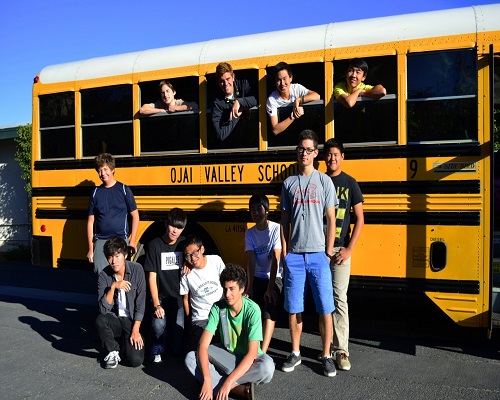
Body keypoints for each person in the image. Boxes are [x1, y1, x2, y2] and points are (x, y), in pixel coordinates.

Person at [279, 129, 338, 377]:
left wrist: (327, 252)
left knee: (325, 307)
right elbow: (283, 221)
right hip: (295, 256)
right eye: (301, 149)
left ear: (316, 153)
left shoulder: (324, 181)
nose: (305, 153)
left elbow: (331, 219)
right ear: (297, 152)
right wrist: (285, 252)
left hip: (318, 255)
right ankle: (295, 352)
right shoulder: (288, 184)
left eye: (309, 149)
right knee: (294, 307)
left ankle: (326, 355)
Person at [185, 263, 275, 400]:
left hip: (248, 361)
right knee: (190, 358)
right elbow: (202, 346)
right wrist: (208, 379)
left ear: (242, 289)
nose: (227, 294)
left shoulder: (253, 310)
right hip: (226, 355)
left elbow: (251, 354)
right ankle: (239, 390)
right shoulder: (218, 308)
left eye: (232, 289)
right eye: (225, 289)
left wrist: (228, 383)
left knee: (267, 367)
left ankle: (222, 387)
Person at [323, 139, 364, 371]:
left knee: (339, 299)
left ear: (342, 157)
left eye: (336, 154)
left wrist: (349, 249)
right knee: (322, 300)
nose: (332, 158)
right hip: (320, 250)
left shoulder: (350, 183)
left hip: (340, 251)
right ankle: (326, 349)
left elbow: (360, 218)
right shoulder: (318, 181)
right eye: (329, 155)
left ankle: (342, 351)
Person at [143, 208, 187, 363]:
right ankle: (157, 343)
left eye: (179, 227)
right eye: (173, 226)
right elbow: (152, 277)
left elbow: (199, 256)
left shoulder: (184, 244)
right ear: (166, 223)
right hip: (161, 298)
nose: (175, 231)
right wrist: (156, 304)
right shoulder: (155, 245)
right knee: (158, 326)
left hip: (178, 301)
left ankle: (171, 339)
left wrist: (190, 263)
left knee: (176, 350)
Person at [95, 237, 146, 369]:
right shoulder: (104, 276)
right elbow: (103, 310)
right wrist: (113, 287)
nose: (114, 261)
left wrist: (135, 330)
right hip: (116, 319)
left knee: (135, 361)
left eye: (117, 256)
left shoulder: (137, 269)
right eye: (110, 257)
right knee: (101, 320)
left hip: (131, 321)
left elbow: (141, 302)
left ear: (125, 255)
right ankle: (113, 350)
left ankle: (125, 343)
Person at [87, 153, 139, 274]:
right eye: (99, 170)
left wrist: (132, 241)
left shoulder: (124, 190)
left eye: (105, 169)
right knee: (101, 274)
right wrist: (91, 248)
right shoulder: (95, 193)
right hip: (100, 240)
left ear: (112, 169)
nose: (102, 173)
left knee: (120, 274)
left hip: (120, 238)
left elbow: (135, 216)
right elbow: (90, 222)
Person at [245, 194, 282, 353]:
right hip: (257, 277)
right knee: (252, 309)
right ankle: (251, 347)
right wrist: (249, 287)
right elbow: (251, 260)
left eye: (259, 209)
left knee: (268, 308)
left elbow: (276, 258)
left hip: (274, 277)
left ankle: (263, 351)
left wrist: (270, 287)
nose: (256, 213)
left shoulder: (276, 228)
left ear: (267, 211)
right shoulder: (250, 233)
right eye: (252, 210)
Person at [180, 236, 225, 353]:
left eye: (195, 253)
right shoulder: (186, 272)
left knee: (227, 345)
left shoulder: (216, 261)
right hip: (201, 317)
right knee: (195, 352)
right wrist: (190, 320)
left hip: (221, 312)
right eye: (188, 255)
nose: (193, 258)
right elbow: (185, 298)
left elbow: (227, 284)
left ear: (202, 249)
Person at [266, 61, 320, 136]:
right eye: (279, 80)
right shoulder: (272, 99)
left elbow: (317, 96)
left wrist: (298, 100)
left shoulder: (296, 88)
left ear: (290, 78)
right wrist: (293, 116)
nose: (282, 83)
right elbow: (275, 130)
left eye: (285, 79)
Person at [212, 62, 258, 141]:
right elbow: (220, 134)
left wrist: (239, 102)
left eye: (228, 79)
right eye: (222, 81)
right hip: (236, 140)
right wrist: (234, 117)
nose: (226, 84)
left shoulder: (243, 85)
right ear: (218, 83)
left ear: (233, 77)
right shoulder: (217, 102)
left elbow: (258, 98)